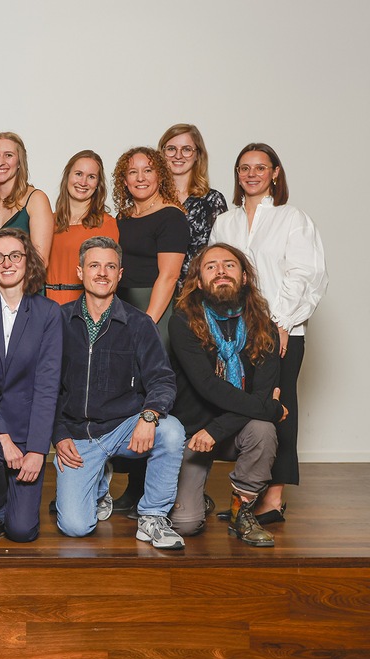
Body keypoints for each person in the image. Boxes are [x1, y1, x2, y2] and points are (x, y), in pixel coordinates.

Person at [209, 142, 327, 523]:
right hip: (234, 332)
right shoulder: (224, 222)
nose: (252, 174)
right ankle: (247, 495)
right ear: (237, 174)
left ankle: (273, 499)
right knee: (244, 407)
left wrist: (279, 323)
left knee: (279, 406)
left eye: (261, 167)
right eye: (245, 168)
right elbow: (215, 274)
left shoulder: (292, 218)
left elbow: (304, 274)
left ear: (275, 173)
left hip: (281, 329)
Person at [52, 236, 186, 550]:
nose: (102, 273)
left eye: (110, 266)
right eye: (94, 266)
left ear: (120, 274)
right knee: (75, 527)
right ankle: (99, 484)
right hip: (78, 436)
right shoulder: (58, 321)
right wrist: (58, 434)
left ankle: (153, 517)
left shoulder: (139, 324)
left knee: (171, 431)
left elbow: (162, 380)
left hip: (124, 427)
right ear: (80, 272)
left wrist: (149, 416)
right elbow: (45, 388)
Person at [168, 244, 287, 546]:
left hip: (229, 432)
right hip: (194, 433)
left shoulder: (265, 328)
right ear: (198, 281)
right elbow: (208, 386)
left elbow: (262, 395)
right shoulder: (182, 322)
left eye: (229, 264)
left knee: (263, 429)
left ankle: (240, 510)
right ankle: (198, 500)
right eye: (211, 267)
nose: (221, 271)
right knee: (185, 524)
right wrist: (272, 408)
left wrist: (219, 429)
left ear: (244, 277)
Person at [0, 229, 62, 545]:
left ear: (27, 261)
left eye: (15, 255)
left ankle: (11, 513)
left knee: (22, 532)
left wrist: (37, 450)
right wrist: (3, 439)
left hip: (28, 424)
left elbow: (48, 386)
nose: (7, 263)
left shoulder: (48, 312)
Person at [109, 147, 189, 513]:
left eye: (148, 170)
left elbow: (168, 276)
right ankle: (133, 484)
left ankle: (151, 489)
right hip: (122, 308)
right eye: (133, 172)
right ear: (123, 180)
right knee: (126, 393)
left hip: (154, 309)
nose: (140, 177)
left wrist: (147, 323)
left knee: (152, 393)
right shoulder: (123, 218)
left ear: (160, 175)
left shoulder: (172, 216)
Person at [158, 123, 227, 287]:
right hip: (157, 291)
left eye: (187, 149)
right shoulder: (151, 199)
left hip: (199, 291)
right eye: (171, 149)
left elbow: (222, 253)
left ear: (198, 155)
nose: (178, 155)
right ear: (162, 154)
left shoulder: (213, 200)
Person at [47, 150, 118, 305]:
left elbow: (108, 277)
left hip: (84, 305)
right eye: (79, 174)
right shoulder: (47, 221)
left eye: (91, 177)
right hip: (46, 304)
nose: (83, 182)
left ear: (98, 184)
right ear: (67, 177)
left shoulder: (106, 224)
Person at [0, 132, 53, 262]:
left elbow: (41, 261)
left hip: (26, 276)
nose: (0, 162)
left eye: (8, 155)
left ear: (20, 162)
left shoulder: (36, 200)